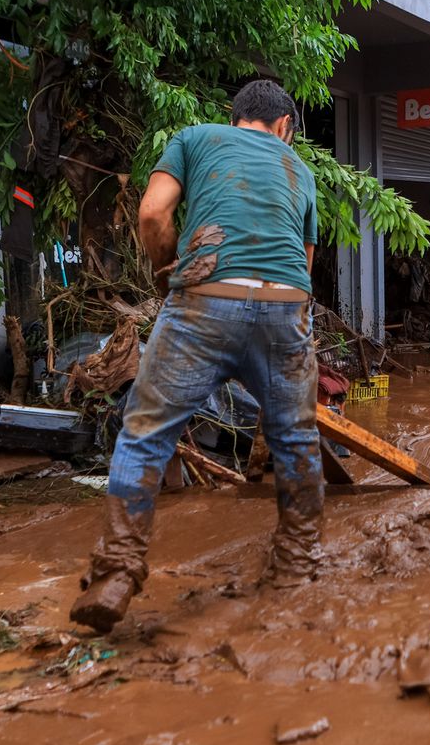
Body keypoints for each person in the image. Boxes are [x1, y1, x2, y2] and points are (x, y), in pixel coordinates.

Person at [70, 80, 324, 633]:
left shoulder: (193, 138)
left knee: (145, 433)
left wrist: (167, 273)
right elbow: (303, 265)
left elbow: (152, 215)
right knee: (297, 436)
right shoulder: (299, 170)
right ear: (285, 127)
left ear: (237, 118)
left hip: (204, 302)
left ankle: (117, 572)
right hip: (286, 308)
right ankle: (295, 568)